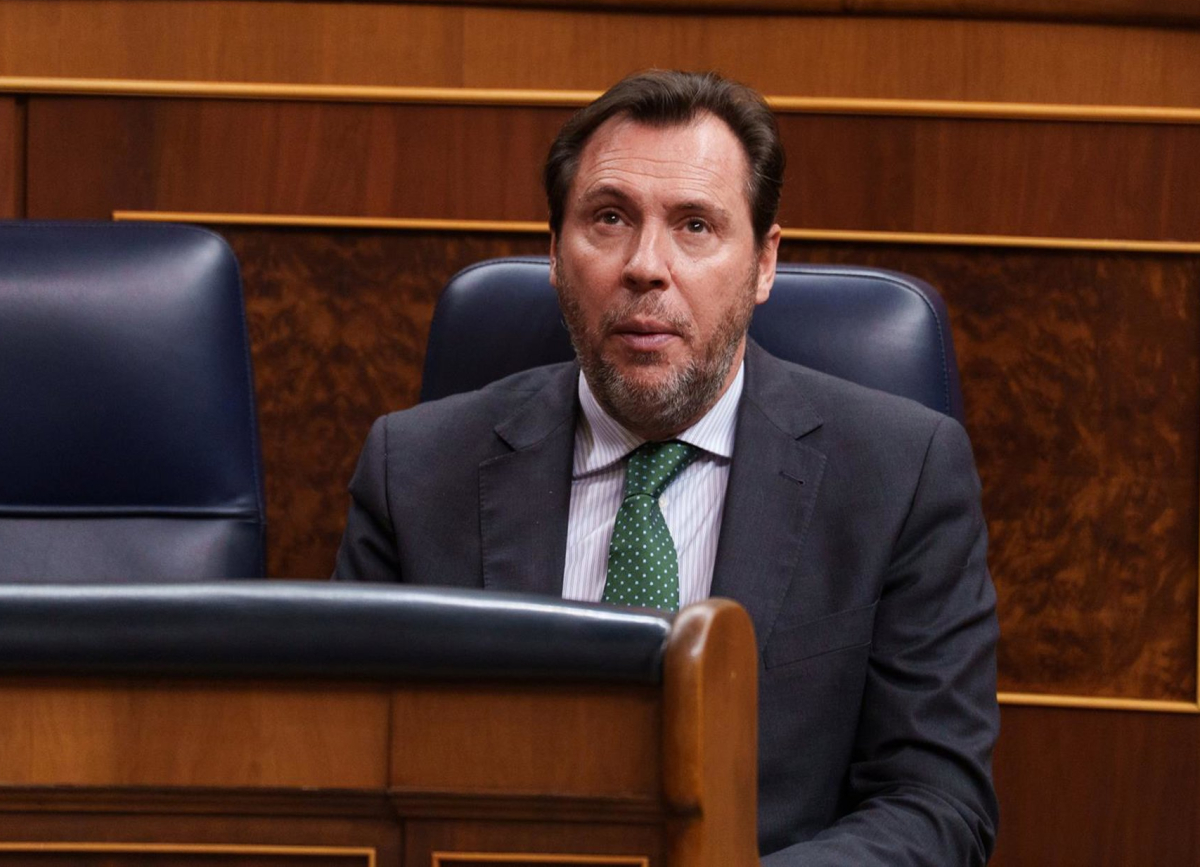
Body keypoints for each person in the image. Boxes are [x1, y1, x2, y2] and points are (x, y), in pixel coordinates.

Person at [335, 70, 999, 865]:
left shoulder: (900, 475)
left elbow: (935, 803)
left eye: (695, 225)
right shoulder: (414, 471)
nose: (646, 265)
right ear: (555, 253)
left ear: (763, 264)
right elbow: (349, 777)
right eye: (609, 218)